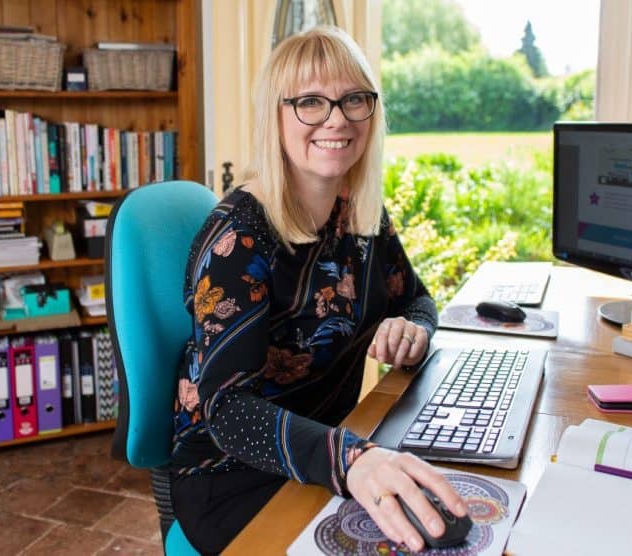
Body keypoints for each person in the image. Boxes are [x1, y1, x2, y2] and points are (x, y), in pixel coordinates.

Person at [169, 26, 467, 554]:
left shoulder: (357, 212)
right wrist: (352, 460)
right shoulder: (238, 238)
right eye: (311, 102)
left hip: (336, 450)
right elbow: (226, 408)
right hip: (237, 477)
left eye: (354, 99)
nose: (337, 119)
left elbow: (416, 299)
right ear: (276, 117)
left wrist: (412, 329)